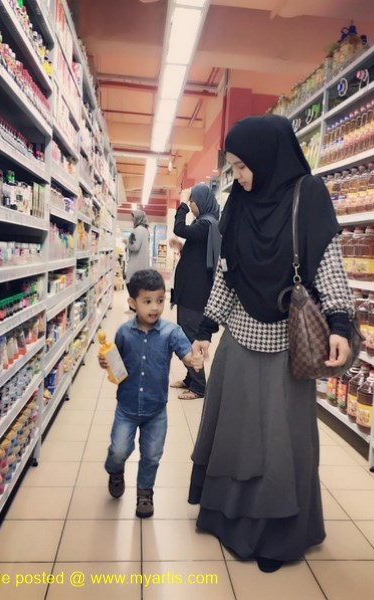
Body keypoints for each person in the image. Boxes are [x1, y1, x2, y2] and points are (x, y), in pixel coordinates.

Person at [188, 114, 354, 572]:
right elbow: (228, 274)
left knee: (282, 444)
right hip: (240, 341)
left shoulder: (309, 195)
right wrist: (205, 331)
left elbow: (328, 265)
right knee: (236, 436)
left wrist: (339, 324)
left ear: (267, 157)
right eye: (233, 167)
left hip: (288, 346)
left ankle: (276, 536)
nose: (239, 176)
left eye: (243, 166)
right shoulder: (240, 202)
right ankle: (228, 519)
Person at [99, 269, 203, 518]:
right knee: (119, 450)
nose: (155, 307)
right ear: (132, 303)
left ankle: (145, 493)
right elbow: (116, 362)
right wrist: (106, 361)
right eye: (147, 301)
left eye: (159, 300)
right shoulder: (124, 332)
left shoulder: (171, 332)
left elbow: (186, 354)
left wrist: (194, 360)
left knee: (152, 455)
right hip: (126, 407)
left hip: (156, 409)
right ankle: (115, 469)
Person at [170, 184, 221, 400]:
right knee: (184, 334)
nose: (190, 205)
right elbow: (197, 256)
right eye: (189, 202)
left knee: (190, 336)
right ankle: (190, 378)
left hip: (195, 294)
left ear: (201, 201)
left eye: (192, 201)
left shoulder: (207, 225)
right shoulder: (203, 224)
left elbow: (179, 228)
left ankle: (199, 386)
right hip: (189, 291)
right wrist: (181, 248)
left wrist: (181, 203)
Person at [125, 209, 150, 283]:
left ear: (138, 218)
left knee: (133, 285)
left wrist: (127, 243)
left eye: (133, 217)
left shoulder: (138, 230)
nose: (131, 219)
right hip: (142, 266)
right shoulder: (145, 230)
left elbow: (135, 246)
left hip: (135, 266)